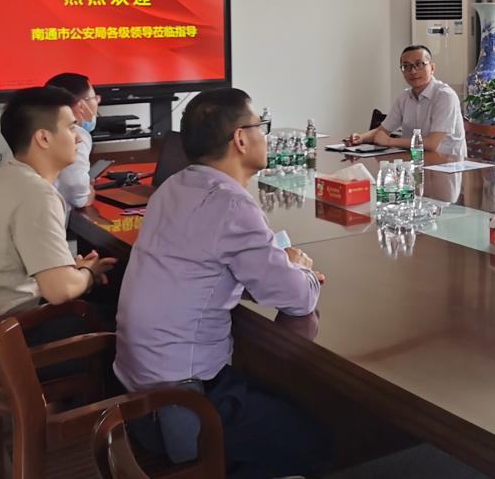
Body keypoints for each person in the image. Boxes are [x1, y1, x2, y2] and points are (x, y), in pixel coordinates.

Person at [114, 87, 334, 479]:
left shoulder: (172, 187)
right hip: (186, 402)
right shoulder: (232, 204)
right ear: (241, 139)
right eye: (261, 126)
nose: (265, 135)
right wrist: (297, 267)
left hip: (138, 393)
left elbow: (201, 267)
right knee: (318, 441)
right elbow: (298, 298)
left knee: (275, 401)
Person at [0, 86, 117, 383]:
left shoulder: (11, 175)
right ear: (43, 138)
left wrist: (73, 273)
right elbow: (59, 291)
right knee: (123, 335)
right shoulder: (36, 194)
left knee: (103, 313)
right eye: (71, 128)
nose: (79, 138)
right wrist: (86, 274)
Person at [346, 45, 467, 161]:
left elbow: (432, 144)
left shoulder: (445, 96)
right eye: (407, 66)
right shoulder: (404, 97)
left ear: (432, 68)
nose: (413, 71)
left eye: (419, 64)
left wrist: (390, 141)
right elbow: (382, 131)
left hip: (446, 166)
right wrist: (360, 138)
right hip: (415, 163)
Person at [45, 72, 100, 211]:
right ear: (80, 106)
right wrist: (85, 197)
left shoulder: (30, 128)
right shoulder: (76, 133)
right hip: (53, 214)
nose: (97, 103)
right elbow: (74, 182)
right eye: (95, 98)